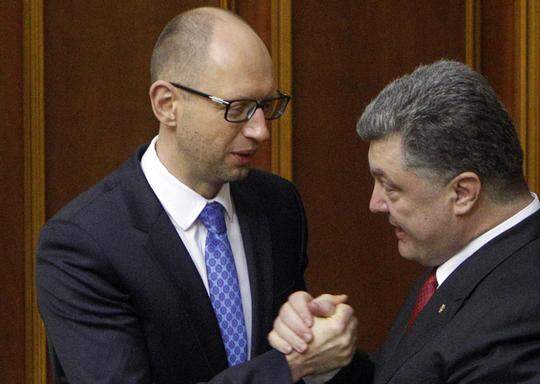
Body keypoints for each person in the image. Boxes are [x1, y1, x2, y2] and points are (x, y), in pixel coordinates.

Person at [36, 7, 356, 384]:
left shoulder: (278, 205)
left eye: (266, 107)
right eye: (237, 109)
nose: (260, 132)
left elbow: (291, 342)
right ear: (167, 105)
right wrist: (289, 366)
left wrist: (311, 328)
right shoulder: (84, 244)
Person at [269, 60, 540, 383]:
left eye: (391, 188)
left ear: (463, 193)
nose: (375, 204)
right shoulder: (475, 259)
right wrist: (329, 365)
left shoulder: (534, 321)